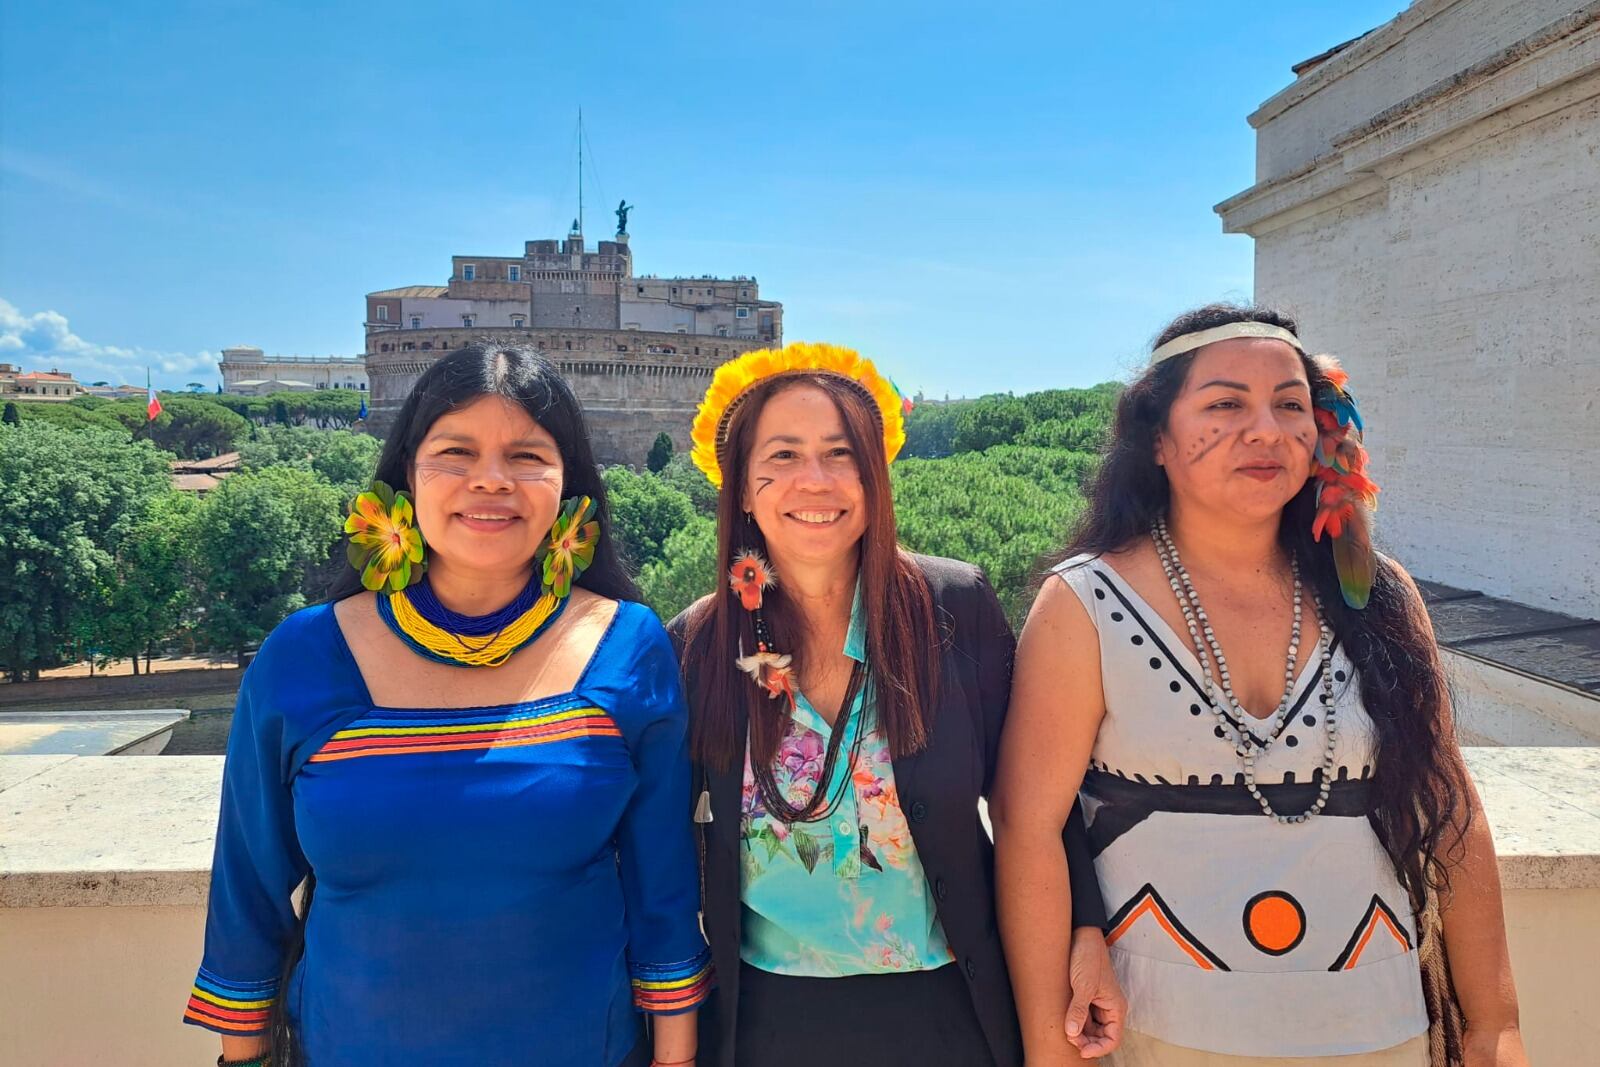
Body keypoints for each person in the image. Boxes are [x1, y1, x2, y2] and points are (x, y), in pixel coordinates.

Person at [993, 305, 1529, 1066]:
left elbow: (1451, 813)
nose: (1266, 431)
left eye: (1289, 405)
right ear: (1157, 439)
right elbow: (1028, 828)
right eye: (1225, 404)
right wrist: (1050, 1047)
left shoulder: (1379, 596)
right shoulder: (1086, 604)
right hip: (1154, 1029)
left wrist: (1495, 1025)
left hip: (1378, 1023)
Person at [183, 344, 709, 1067]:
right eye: (456, 452)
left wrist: (675, 1060)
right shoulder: (302, 655)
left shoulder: (627, 646)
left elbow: (663, 889)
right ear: (407, 473)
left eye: (527, 456)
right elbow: (248, 892)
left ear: (569, 484)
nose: (490, 480)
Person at [669, 342, 1124, 1067]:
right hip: (764, 1025)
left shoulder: (954, 608)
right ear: (742, 489)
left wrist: (1085, 930)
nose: (815, 480)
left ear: (875, 477)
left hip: (951, 1012)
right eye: (783, 456)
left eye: (841, 454)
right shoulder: (698, 645)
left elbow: (1033, 796)